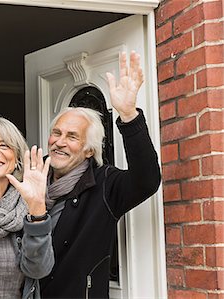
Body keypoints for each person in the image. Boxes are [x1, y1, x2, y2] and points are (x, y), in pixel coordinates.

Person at [38, 51, 162, 298]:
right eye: (57, 133)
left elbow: (147, 180)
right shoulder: (33, 176)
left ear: (89, 150)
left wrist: (128, 115)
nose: (60, 142)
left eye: (72, 137)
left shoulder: (104, 184)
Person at [0, 116, 54, 299]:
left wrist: (37, 208)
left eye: (4, 145)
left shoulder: (28, 203)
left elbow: (38, 270)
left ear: (17, 157)